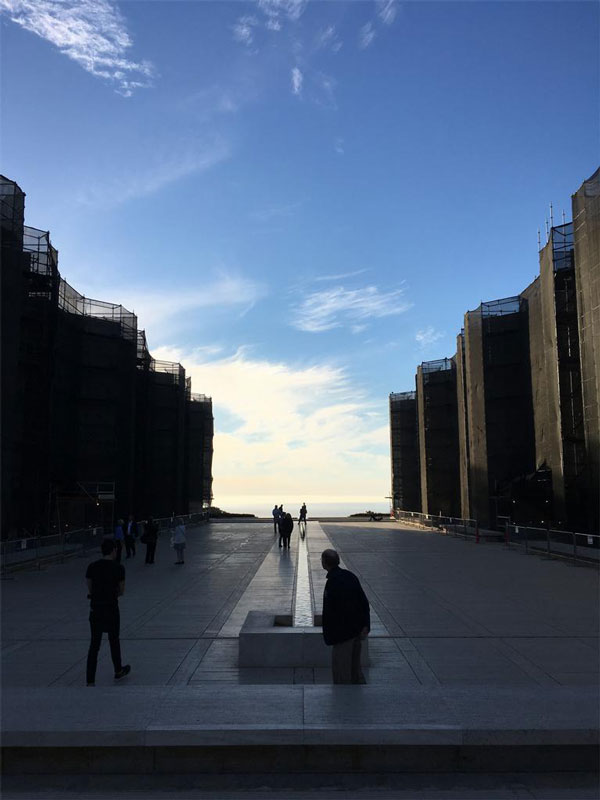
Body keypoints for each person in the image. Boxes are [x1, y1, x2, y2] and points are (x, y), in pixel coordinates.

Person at [85, 538, 131, 686]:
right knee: (114, 640)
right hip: (111, 607)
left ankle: (90, 679)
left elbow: (90, 588)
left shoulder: (92, 567)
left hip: (96, 608)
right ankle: (118, 670)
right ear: (113, 550)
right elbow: (121, 591)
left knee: (94, 644)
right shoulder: (119, 568)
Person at [321, 548, 370, 685]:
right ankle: (359, 701)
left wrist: (331, 636)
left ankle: (345, 704)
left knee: (342, 674)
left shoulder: (333, 582)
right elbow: (363, 602)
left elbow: (332, 613)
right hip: (356, 633)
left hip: (343, 637)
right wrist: (365, 625)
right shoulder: (350, 576)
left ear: (325, 563)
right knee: (355, 671)